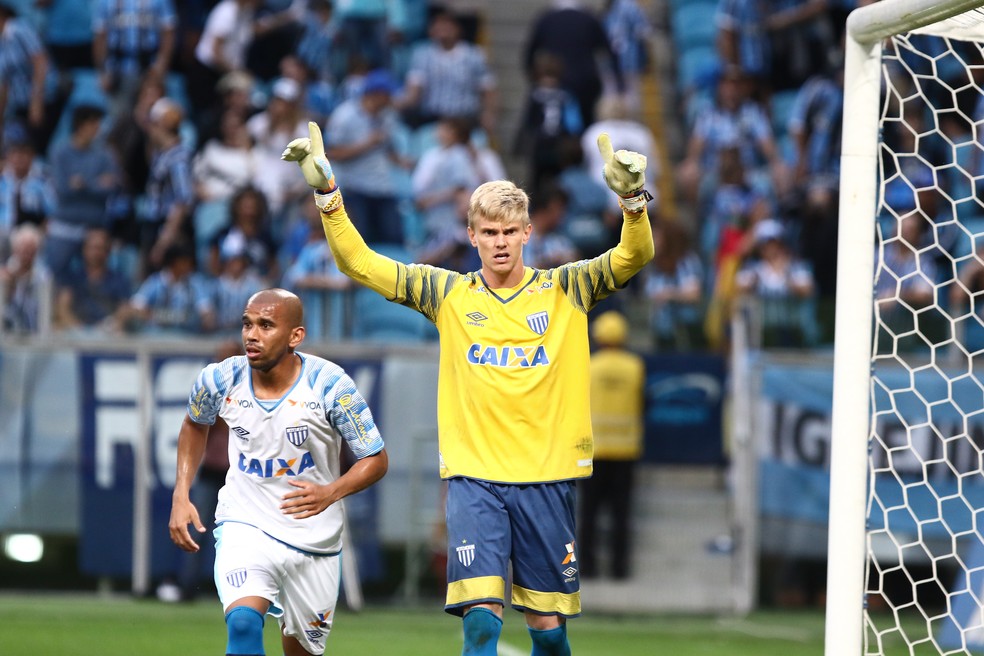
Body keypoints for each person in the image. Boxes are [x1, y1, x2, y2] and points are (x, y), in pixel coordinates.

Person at [283, 121, 654, 655]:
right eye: (489, 233)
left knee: (548, 636)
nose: (500, 243)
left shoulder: (567, 288)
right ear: (471, 235)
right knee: (481, 623)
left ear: (527, 233)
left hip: (546, 478)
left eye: (510, 232)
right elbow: (360, 264)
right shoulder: (448, 294)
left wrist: (633, 203)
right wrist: (327, 194)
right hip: (475, 479)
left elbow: (634, 256)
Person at [168, 287, 389, 656]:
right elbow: (194, 424)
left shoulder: (331, 386)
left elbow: (376, 459)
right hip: (246, 523)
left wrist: (330, 492)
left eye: (266, 325)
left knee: (299, 651)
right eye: (248, 324)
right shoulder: (220, 379)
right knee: (241, 623)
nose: (252, 335)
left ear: (295, 336)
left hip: (313, 538)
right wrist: (181, 493)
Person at [578, 310, 645, 580]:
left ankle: (588, 568)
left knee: (589, 515)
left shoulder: (589, 366)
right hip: (626, 451)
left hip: (593, 452)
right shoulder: (635, 366)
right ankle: (620, 569)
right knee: (621, 515)